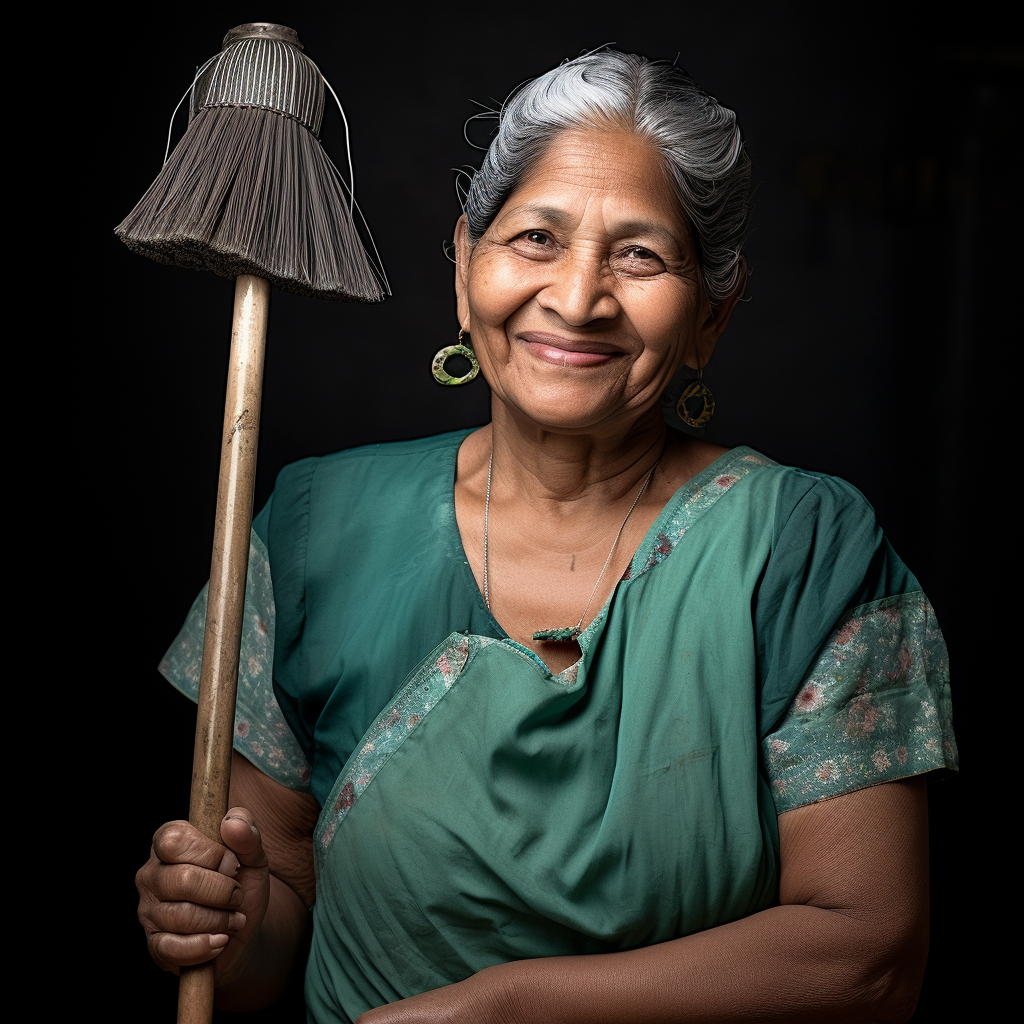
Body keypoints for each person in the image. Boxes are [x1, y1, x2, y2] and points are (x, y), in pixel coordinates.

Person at [136, 49, 957, 1023]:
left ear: (712, 314)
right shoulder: (316, 525)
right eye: (534, 238)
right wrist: (225, 925)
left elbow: (866, 962)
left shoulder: (805, 551)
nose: (576, 298)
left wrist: (506, 1007)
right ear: (463, 264)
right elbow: (269, 943)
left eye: (640, 255)